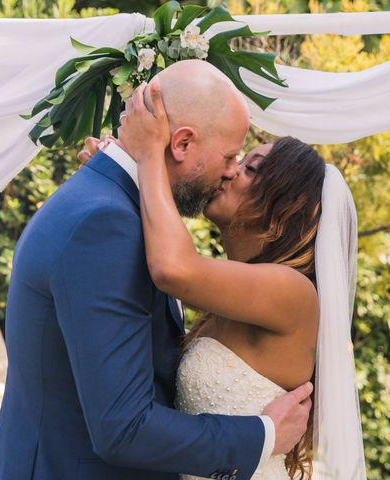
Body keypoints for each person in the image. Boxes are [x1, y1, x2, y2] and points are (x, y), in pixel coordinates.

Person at [0, 60, 313, 480]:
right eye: (232, 156)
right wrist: (262, 435)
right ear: (182, 144)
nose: (231, 171)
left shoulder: (114, 208)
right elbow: (124, 427)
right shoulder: (107, 225)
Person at [80, 71, 366, 479]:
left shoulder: (293, 294)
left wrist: (147, 155)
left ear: (281, 209)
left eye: (249, 168)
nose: (228, 171)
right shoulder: (229, 290)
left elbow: (173, 268)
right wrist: (121, 173)